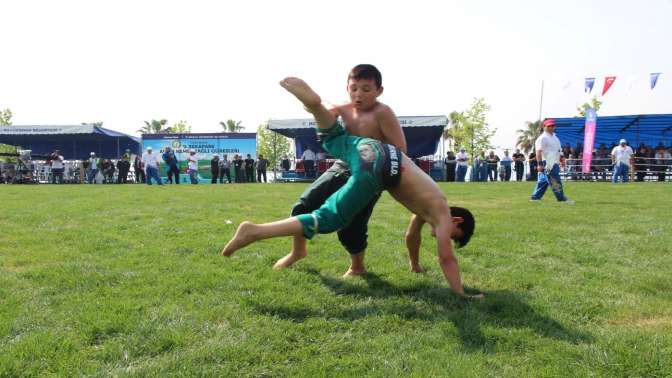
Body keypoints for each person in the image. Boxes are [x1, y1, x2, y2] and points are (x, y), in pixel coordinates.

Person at [222, 76, 481, 299]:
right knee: (328, 218)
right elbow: (446, 258)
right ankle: (254, 231)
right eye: (453, 235)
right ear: (456, 220)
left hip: (370, 148)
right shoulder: (442, 215)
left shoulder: (427, 210)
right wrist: (460, 292)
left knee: (333, 136)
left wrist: (414, 265)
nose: (444, 236)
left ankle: (314, 106)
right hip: (380, 168)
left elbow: (411, 237)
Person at [275, 64, 408, 277]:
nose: (358, 95)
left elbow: (401, 149)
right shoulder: (344, 109)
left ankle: (357, 267)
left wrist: (386, 175)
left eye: (366, 89)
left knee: (353, 226)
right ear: (347, 88)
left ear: (379, 91)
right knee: (304, 205)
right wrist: (311, 103)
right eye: (353, 88)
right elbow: (324, 114)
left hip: (369, 176)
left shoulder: (383, 113)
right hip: (342, 166)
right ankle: (297, 252)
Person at [530, 119, 573, 203]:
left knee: (543, 181)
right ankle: (561, 198)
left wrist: (562, 159)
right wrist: (539, 164)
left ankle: (535, 197)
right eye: (549, 126)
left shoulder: (555, 137)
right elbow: (538, 151)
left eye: (553, 126)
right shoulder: (542, 138)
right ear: (544, 127)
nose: (551, 127)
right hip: (548, 162)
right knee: (554, 179)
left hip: (554, 161)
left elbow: (559, 150)